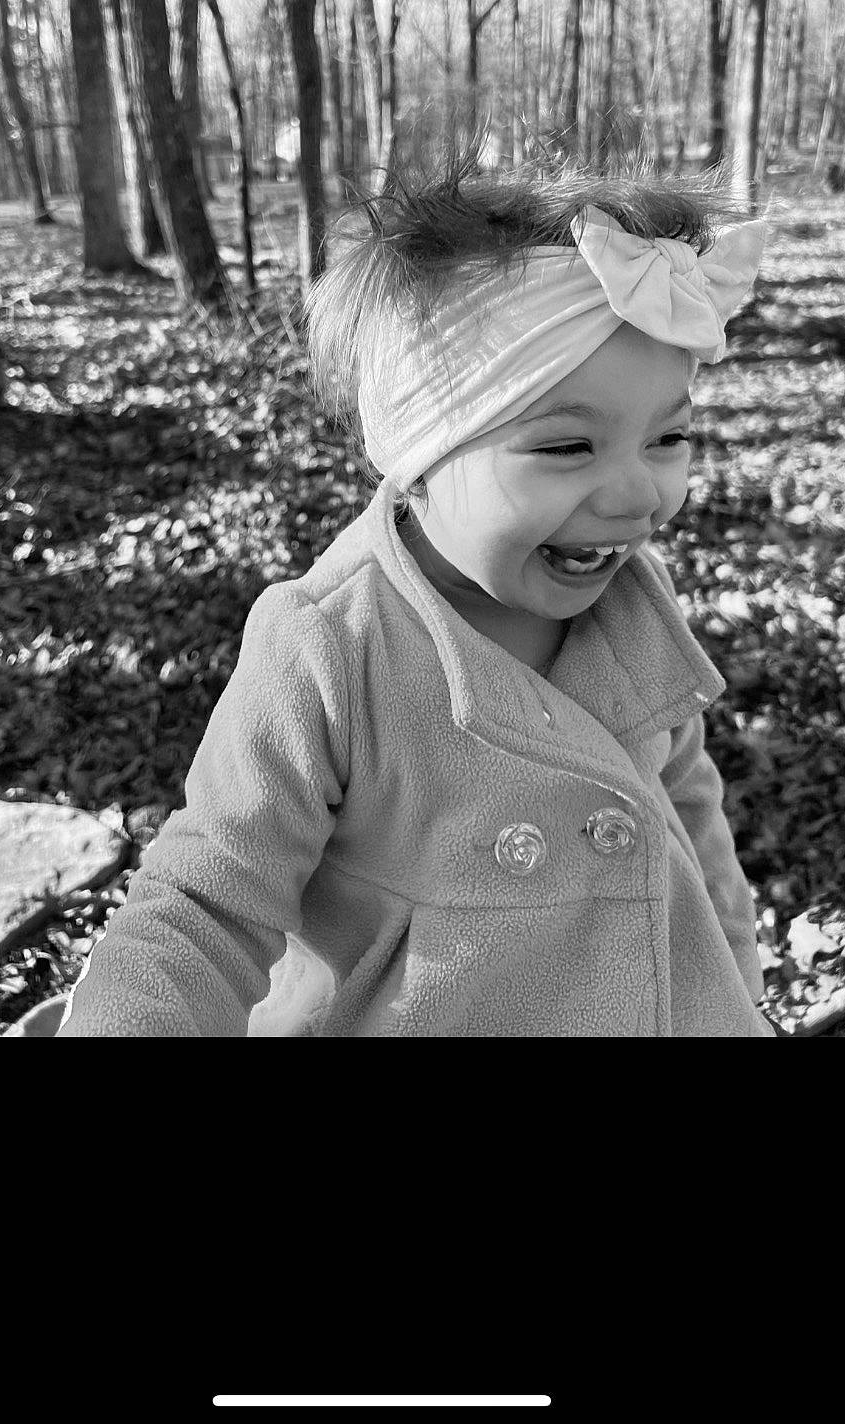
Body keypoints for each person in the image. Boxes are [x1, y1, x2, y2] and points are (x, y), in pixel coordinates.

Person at [54, 130, 776, 1038]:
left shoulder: (634, 605)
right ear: (423, 456)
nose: (642, 497)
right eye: (566, 447)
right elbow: (204, 905)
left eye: (668, 439)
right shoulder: (332, 648)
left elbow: (685, 805)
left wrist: (739, 984)